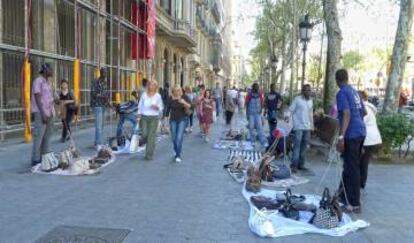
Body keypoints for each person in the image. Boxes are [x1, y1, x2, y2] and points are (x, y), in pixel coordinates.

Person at [335, 69, 366, 214]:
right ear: (347, 78)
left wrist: (341, 137)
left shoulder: (341, 93)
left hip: (351, 134)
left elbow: (346, 114)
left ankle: (354, 204)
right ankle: (342, 195)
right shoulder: (355, 92)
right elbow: (363, 112)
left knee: (352, 168)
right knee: (349, 165)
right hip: (360, 131)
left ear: (337, 80)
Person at [31, 63, 56, 166]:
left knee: (47, 136)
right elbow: (37, 98)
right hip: (41, 112)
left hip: (50, 112)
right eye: (50, 69)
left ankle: (45, 157)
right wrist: (42, 114)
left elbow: (50, 97)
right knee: (39, 136)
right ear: (45, 70)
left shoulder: (48, 82)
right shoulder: (38, 81)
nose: (52, 71)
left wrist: (57, 100)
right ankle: (36, 160)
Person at [358, 90, 382, 194]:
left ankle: (360, 183)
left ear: (362, 98)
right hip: (373, 138)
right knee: (364, 162)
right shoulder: (370, 108)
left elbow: (361, 125)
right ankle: (361, 183)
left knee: (362, 162)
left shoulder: (365, 108)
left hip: (367, 139)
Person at [288, 84, 314, 173]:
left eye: (309, 90)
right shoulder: (297, 99)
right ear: (302, 91)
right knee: (297, 146)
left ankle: (301, 165)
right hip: (298, 126)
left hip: (307, 127)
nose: (308, 92)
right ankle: (294, 165)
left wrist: (312, 126)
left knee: (304, 147)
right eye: (306, 90)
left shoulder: (311, 101)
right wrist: (286, 118)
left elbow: (310, 114)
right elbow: (290, 110)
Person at [137, 80, 163, 160]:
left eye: (153, 85)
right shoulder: (144, 95)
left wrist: (157, 107)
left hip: (154, 118)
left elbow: (161, 107)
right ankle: (142, 141)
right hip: (144, 117)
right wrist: (138, 116)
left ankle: (149, 155)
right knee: (144, 134)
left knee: (151, 136)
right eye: (150, 85)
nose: (151, 86)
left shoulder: (158, 96)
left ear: (155, 87)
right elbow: (140, 105)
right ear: (148, 86)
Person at [169, 86, 192, 162]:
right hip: (173, 120)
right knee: (174, 138)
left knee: (179, 138)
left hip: (182, 119)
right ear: (173, 91)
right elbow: (167, 110)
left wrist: (183, 102)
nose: (178, 92)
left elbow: (191, 106)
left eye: (179, 90)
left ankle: (178, 155)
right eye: (176, 90)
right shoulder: (171, 98)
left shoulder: (184, 97)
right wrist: (165, 123)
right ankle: (176, 149)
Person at [90, 67, 110, 150]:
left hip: (103, 105)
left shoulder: (105, 83)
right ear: (101, 73)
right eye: (104, 73)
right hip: (97, 105)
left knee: (101, 125)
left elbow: (107, 93)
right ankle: (98, 143)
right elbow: (93, 94)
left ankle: (96, 142)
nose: (105, 75)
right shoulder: (95, 82)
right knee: (98, 125)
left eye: (106, 73)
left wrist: (108, 100)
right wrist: (103, 96)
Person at [245, 83, 267, 148]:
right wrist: (247, 114)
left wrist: (261, 109)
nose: (257, 88)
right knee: (251, 127)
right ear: (253, 88)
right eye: (256, 87)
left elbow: (262, 102)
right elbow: (246, 104)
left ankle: (263, 141)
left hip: (257, 114)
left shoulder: (260, 94)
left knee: (259, 127)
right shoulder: (249, 95)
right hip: (251, 114)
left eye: (258, 87)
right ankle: (253, 141)